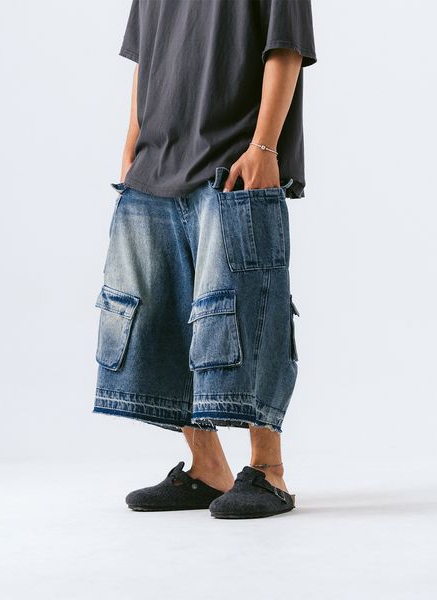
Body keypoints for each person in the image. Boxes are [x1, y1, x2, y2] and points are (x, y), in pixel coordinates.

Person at [93, 0, 317, 519]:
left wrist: (265, 147)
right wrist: (131, 144)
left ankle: (268, 471)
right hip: (155, 163)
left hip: (235, 162)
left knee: (249, 309)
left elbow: (287, 47)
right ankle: (207, 467)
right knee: (166, 316)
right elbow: (145, 57)